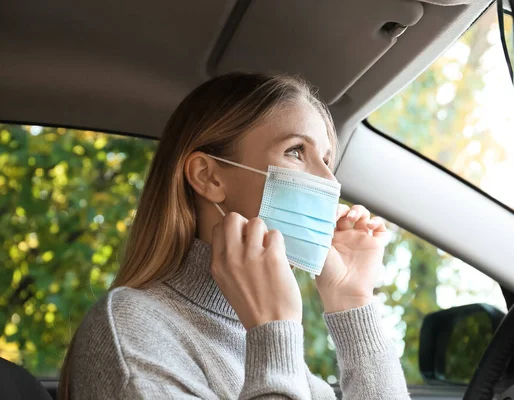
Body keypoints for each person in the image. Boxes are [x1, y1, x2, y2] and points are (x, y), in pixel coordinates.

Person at [59, 72, 410, 399]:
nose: (329, 182)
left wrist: (352, 302)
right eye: (295, 151)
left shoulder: (265, 342)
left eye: (326, 159)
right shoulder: (133, 329)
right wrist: (273, 330)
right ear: (208, 177)